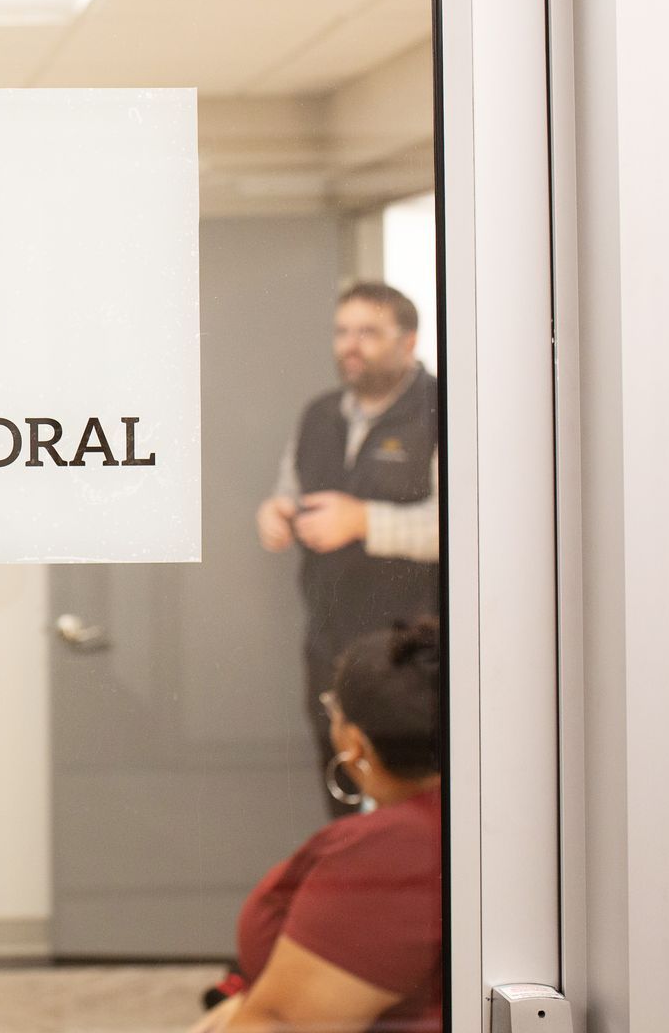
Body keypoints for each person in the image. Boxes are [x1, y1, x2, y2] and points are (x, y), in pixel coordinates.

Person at [192, 619, 443, 1033]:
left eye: (333, 710)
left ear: (354, 742)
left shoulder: (392, 850)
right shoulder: (439, 824)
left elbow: (285, 1025)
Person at [256, 281, 439, 814]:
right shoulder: (319, 414)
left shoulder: (445, 410)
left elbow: (466, 528)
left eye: (368, 333)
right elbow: (288, 489)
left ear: (407, 342)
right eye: (343, 332)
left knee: (407, 810)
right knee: (341, 795)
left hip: (410, 654)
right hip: (330, 644)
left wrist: (362, 521)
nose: (350, 345)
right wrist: (274, 514)